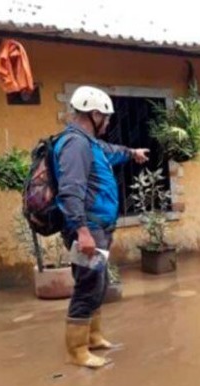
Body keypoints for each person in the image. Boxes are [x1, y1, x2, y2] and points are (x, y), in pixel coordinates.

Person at [55, 86, 150, 369]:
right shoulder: (75, 145)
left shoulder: (90, 143)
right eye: (106, 118)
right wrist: (81, 231)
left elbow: (111, 152)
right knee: (88, 283)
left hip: (98, 228)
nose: (108, 124)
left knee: (99, 282)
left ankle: (93, 336)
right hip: (88, 229)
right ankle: (77, 350)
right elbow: (70, 190)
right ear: (94, 114)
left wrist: (132, 153)